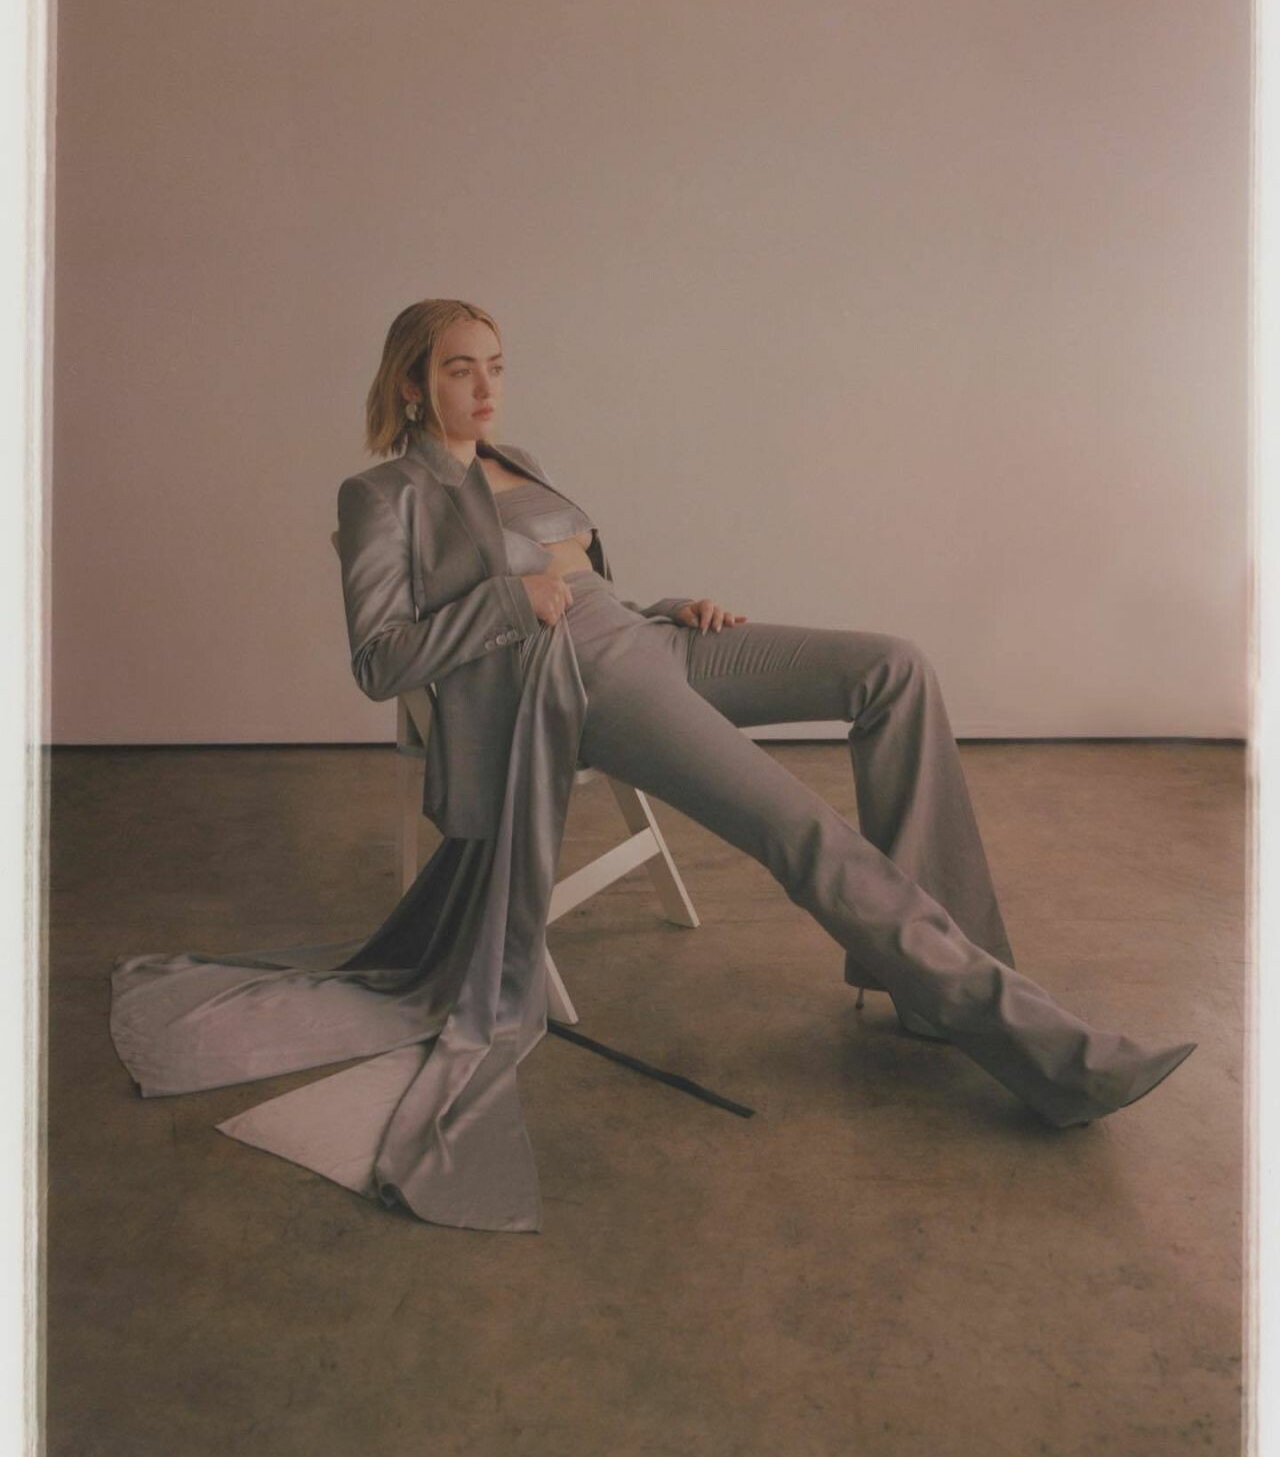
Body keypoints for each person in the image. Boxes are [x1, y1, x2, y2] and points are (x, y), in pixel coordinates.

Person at [108, 297, 1197, 1235]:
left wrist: (668, 608)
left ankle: (923, 983)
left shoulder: (519, 461)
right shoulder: (382, 496)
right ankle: (1046, 1053)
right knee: (802, 831)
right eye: (460, 369)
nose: (486, 389)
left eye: (496, 366)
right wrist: (511, 602)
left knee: (893, 669)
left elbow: (583, 584)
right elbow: (380, 660)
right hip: (575, 683)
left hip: (646, 640)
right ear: (409, 383)